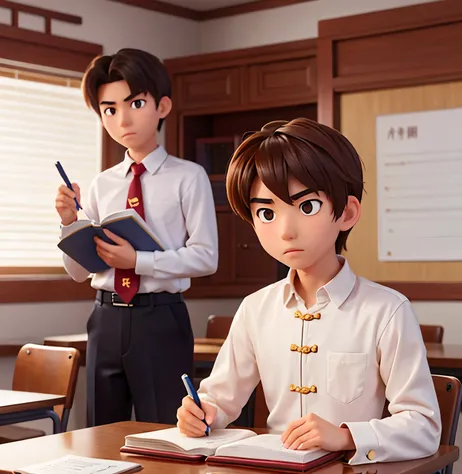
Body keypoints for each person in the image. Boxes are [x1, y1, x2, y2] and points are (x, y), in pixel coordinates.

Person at [176, 118, 441, 465]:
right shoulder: (256, 309)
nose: (285, 231)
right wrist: (201, 412)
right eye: (267, 212)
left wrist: (347, 437)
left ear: (346, 212)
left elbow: (424, 426)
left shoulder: (386, 311)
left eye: (306, 207)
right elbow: (220, 399)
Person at [55, 48, 218, 427]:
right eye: (109, 109)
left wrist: (138, 262)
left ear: (162, 106)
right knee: (99, 432)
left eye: (135, 103)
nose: (122, 118)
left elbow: (206, 256)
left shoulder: (188, 177)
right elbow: (79, 273)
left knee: (165, 431)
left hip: (160, 319)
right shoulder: (102, 183)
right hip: (104, 317)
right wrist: (67, 223)